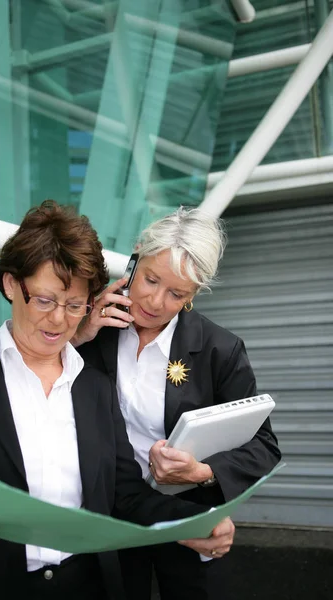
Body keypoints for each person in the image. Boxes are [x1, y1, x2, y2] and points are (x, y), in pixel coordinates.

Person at [0, 201, 235, 600]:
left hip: (89, 586)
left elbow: (125, 494)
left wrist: (196, 519)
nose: (59, 320)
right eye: (44, 300)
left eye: (75, 305)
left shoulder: (92, 387)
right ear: (9, 284)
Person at [74, 206, 282, 600]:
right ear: (135, 257)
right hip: (111, 511)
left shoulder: (220, 348)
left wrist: (202, 471)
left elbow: (265, 447)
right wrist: (79, 336)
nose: (155, 301)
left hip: (187, 513)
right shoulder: (92, 326)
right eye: (150, 279)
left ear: (194, 294)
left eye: (177, 293)